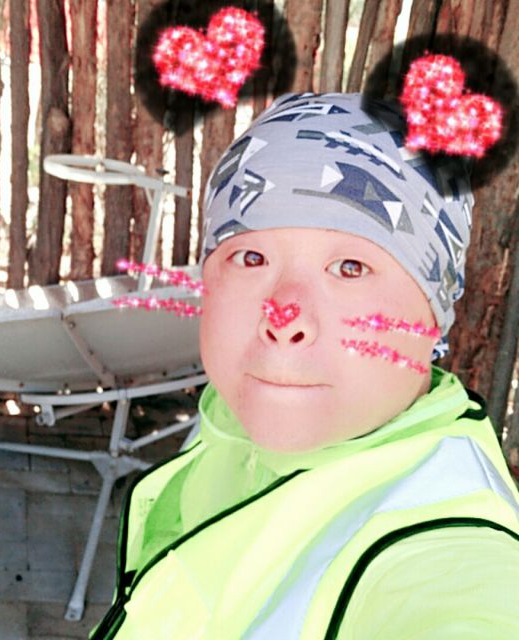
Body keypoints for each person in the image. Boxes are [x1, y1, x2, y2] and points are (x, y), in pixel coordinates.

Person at [91, 93, 519, 639]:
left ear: (433, 316)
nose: (283, 317)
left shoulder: (452, 554)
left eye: (350, 267)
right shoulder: (231, 421)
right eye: (251, 257)